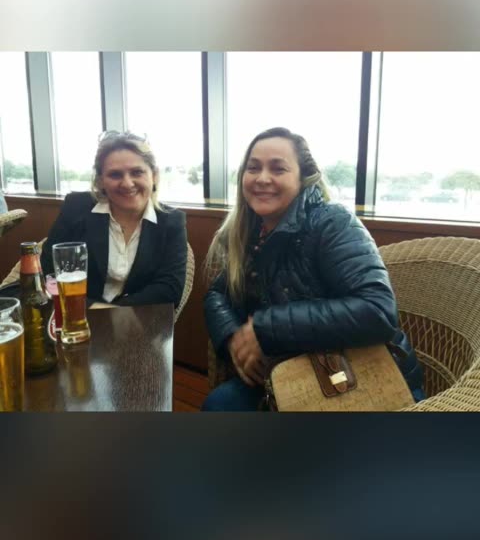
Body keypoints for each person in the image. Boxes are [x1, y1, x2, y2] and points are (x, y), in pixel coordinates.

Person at [203, 127, 423, 411]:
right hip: (290, 371)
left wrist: (265, 328)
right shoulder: (252, 233)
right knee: (218, 405)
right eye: (253, 168)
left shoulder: (333, 222)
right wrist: (232, 337)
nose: (262, 178)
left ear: (303, 178)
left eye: (278, 168)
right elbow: (217, 294)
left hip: (365, 378)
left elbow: (378, 310)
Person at [41, 131, 187, 308]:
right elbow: (49, 272)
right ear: (100, 181)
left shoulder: (172, 221)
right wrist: (91, 307)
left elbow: (170, 289)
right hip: (77, 315)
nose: (127, 183)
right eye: (115, 175)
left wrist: (113, 313)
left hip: (137, 320)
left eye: (137, 172)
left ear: (154, 176)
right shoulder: (76, 207)